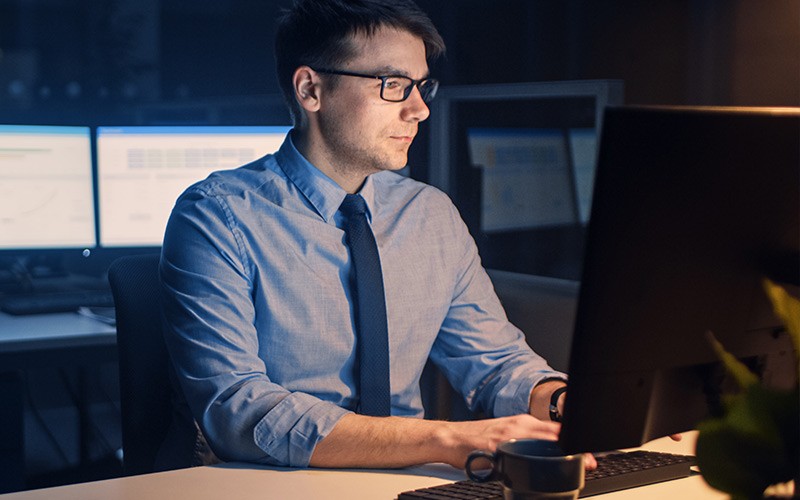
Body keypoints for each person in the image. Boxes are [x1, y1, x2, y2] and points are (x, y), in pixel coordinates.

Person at [159, 0, 579, 471]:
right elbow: (239, 410)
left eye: (421, 87)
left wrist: (565, 403)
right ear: (310, 89)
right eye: (393, 85)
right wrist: (445, 438)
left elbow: (497, 364)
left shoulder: (430, 216)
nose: (418, 110)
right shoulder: (217, 216)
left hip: (410, 478)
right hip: (278, 483)